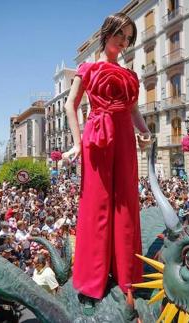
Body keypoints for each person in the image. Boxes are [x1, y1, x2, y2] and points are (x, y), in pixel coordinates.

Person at [62, 12, 150, 305]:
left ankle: (126, 275)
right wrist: (76, 142)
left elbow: (133, 110)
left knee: (126, 202)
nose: (124, 42)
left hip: (124, 137)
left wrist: (145, 131)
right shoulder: (87, 68)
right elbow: (70, 105)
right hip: (97, 137)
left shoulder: (129, 73)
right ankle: (92, 279)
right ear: (106, 33)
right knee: (97, 206)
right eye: (120, 35)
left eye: (128, 38)